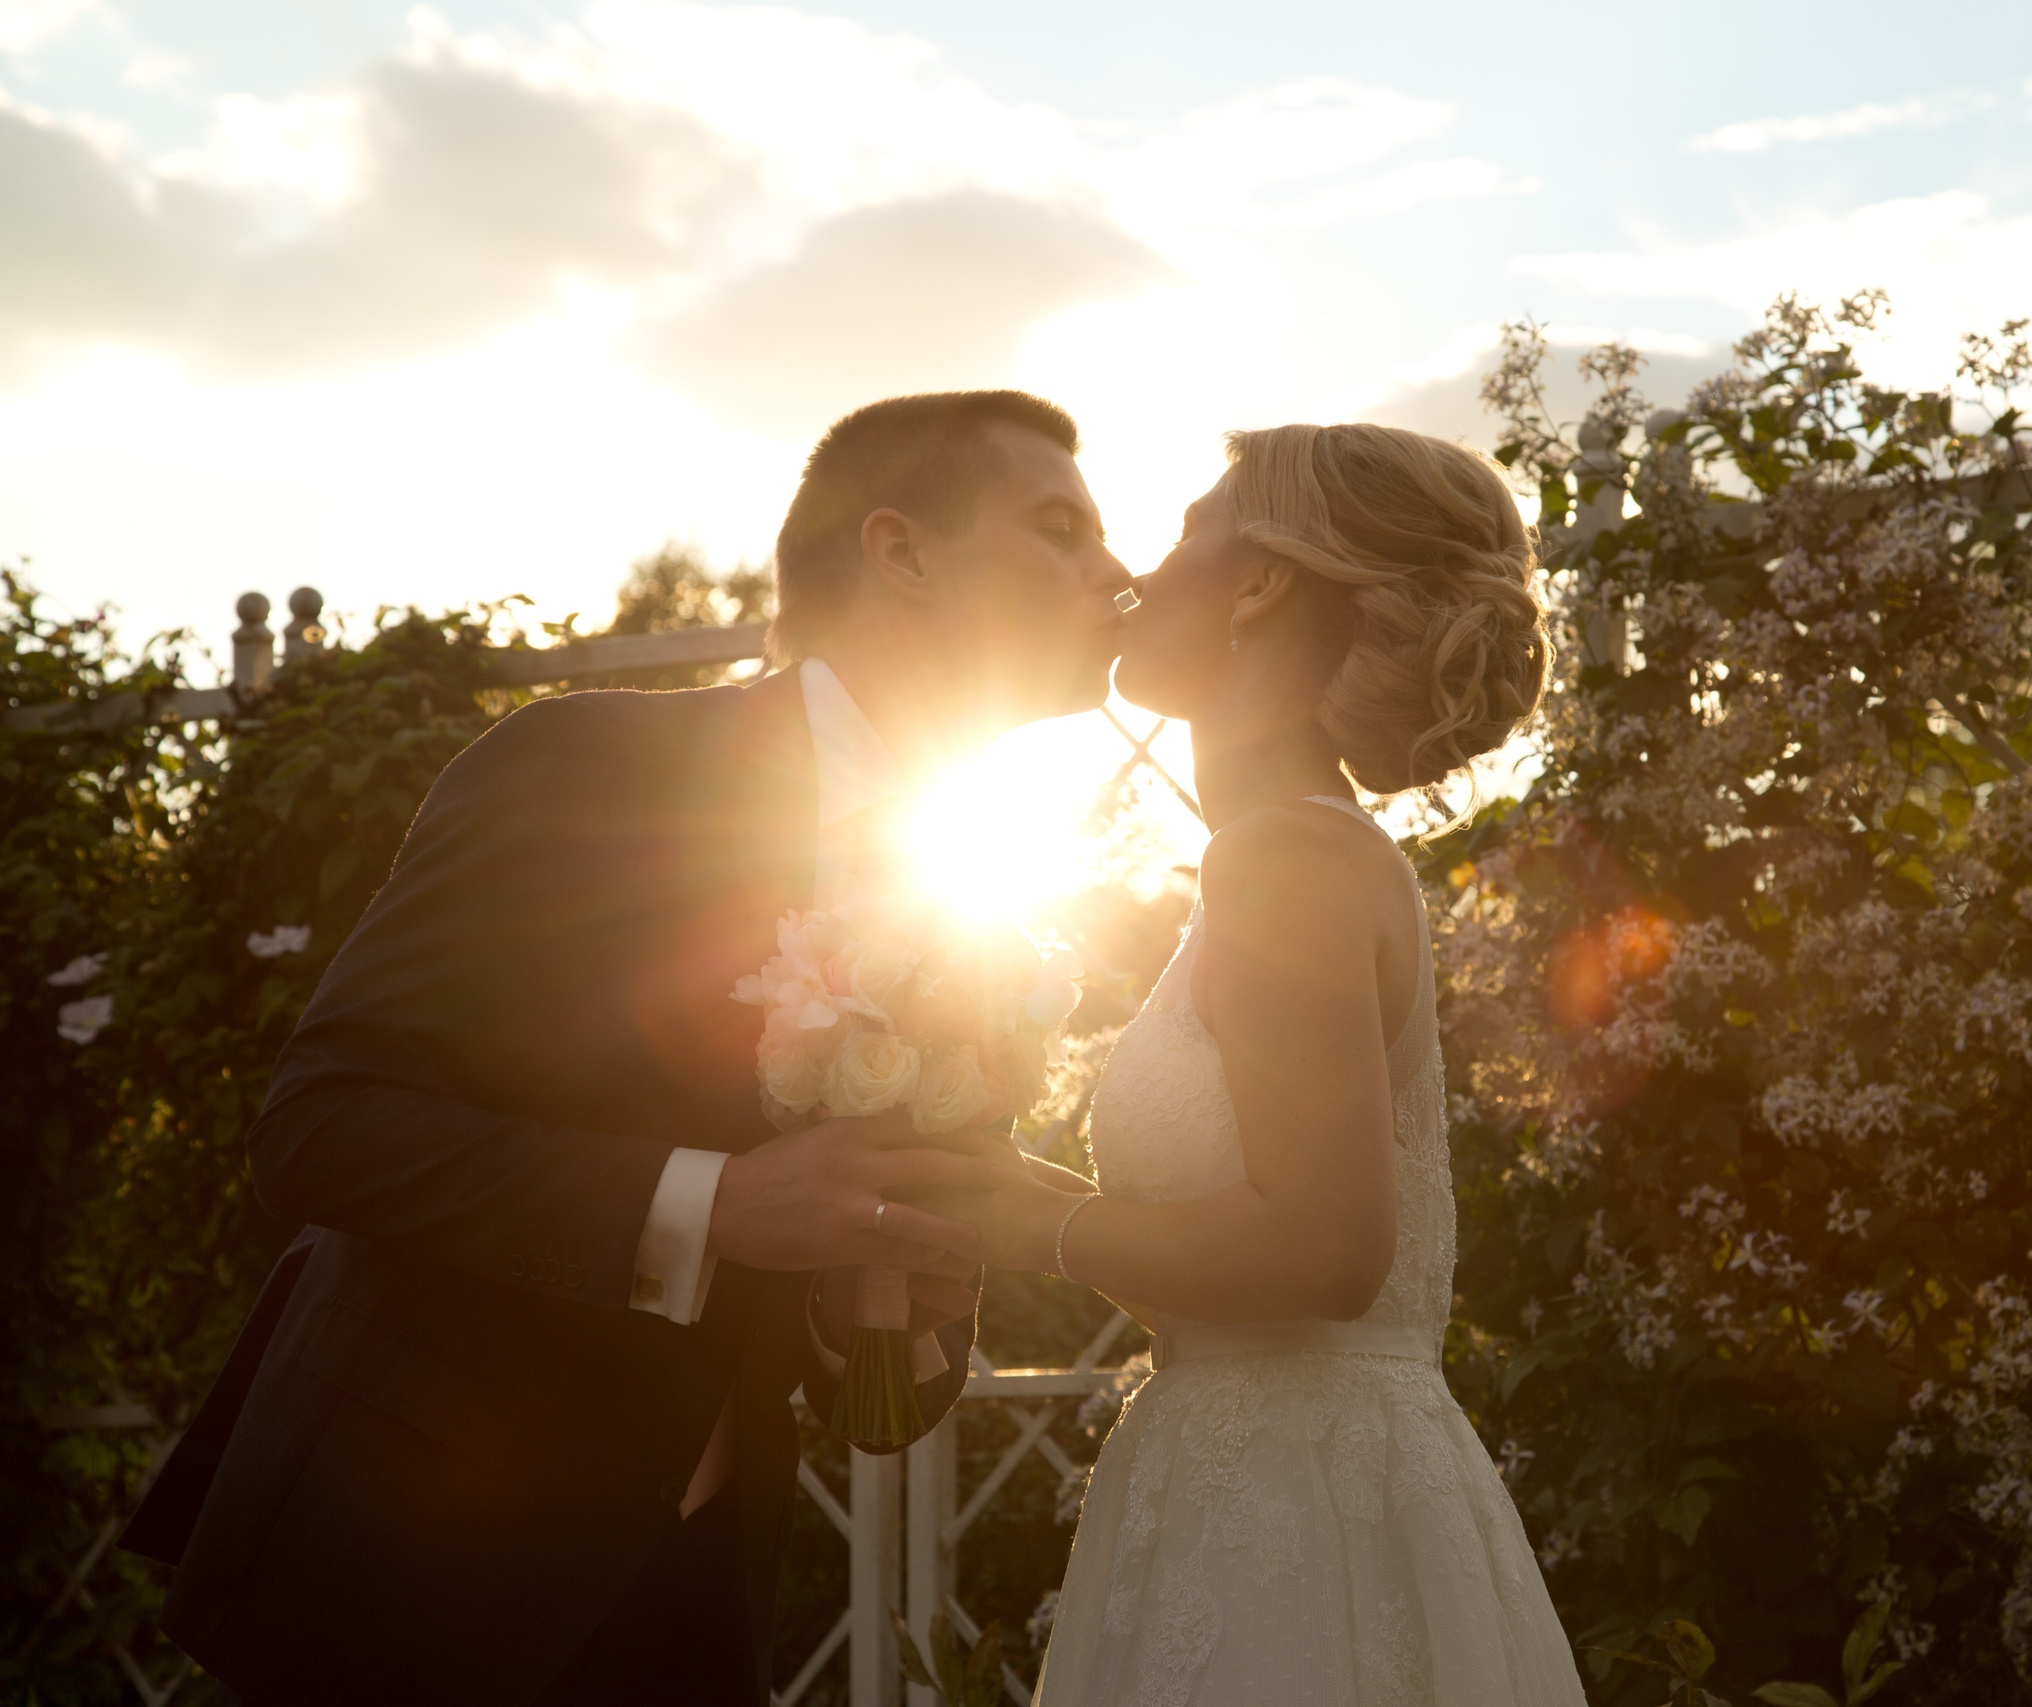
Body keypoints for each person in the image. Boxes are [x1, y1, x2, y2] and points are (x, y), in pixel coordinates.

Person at [120, 390, 1135, 1706]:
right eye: (1061, 528)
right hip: (401, 1577)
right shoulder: (587, 763)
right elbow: (322, 1121)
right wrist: (721, 1205)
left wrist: (878, 1307)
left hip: (693, 1602)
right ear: (902, 552)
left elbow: (876, 1390)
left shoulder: (972, 909)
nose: (1117, 571)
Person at [963, 422, 1588, 1704]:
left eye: (1188, 529)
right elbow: (1238, 1253)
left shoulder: (1285, 861)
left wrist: (1021, 1222)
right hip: (1268, 1479)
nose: (1140, 568)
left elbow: (1322, 1253)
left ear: (1257, 582)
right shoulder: (1283, 853)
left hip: (1293, 1525)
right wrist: (1003, 1181)